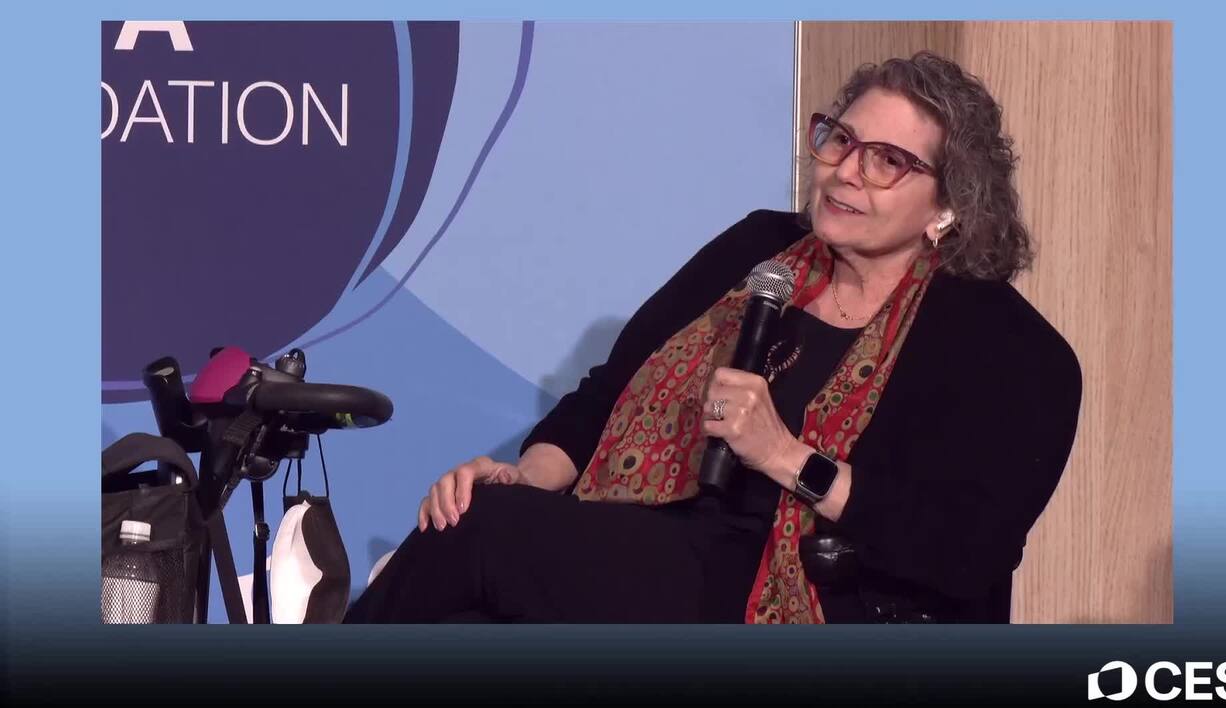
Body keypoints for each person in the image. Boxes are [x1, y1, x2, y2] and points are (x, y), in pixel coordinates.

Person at [343, 51, 1082, 624]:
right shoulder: (758, 250)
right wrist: (527, 479)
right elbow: (608, 392)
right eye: (841, 140)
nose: (845, 173)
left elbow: (965, 551)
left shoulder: (1010, 350)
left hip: (816, 593)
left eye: (888, 161)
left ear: (949, 206)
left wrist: (785, 456)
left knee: (484, 535)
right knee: (473, 586)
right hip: (662, 545)